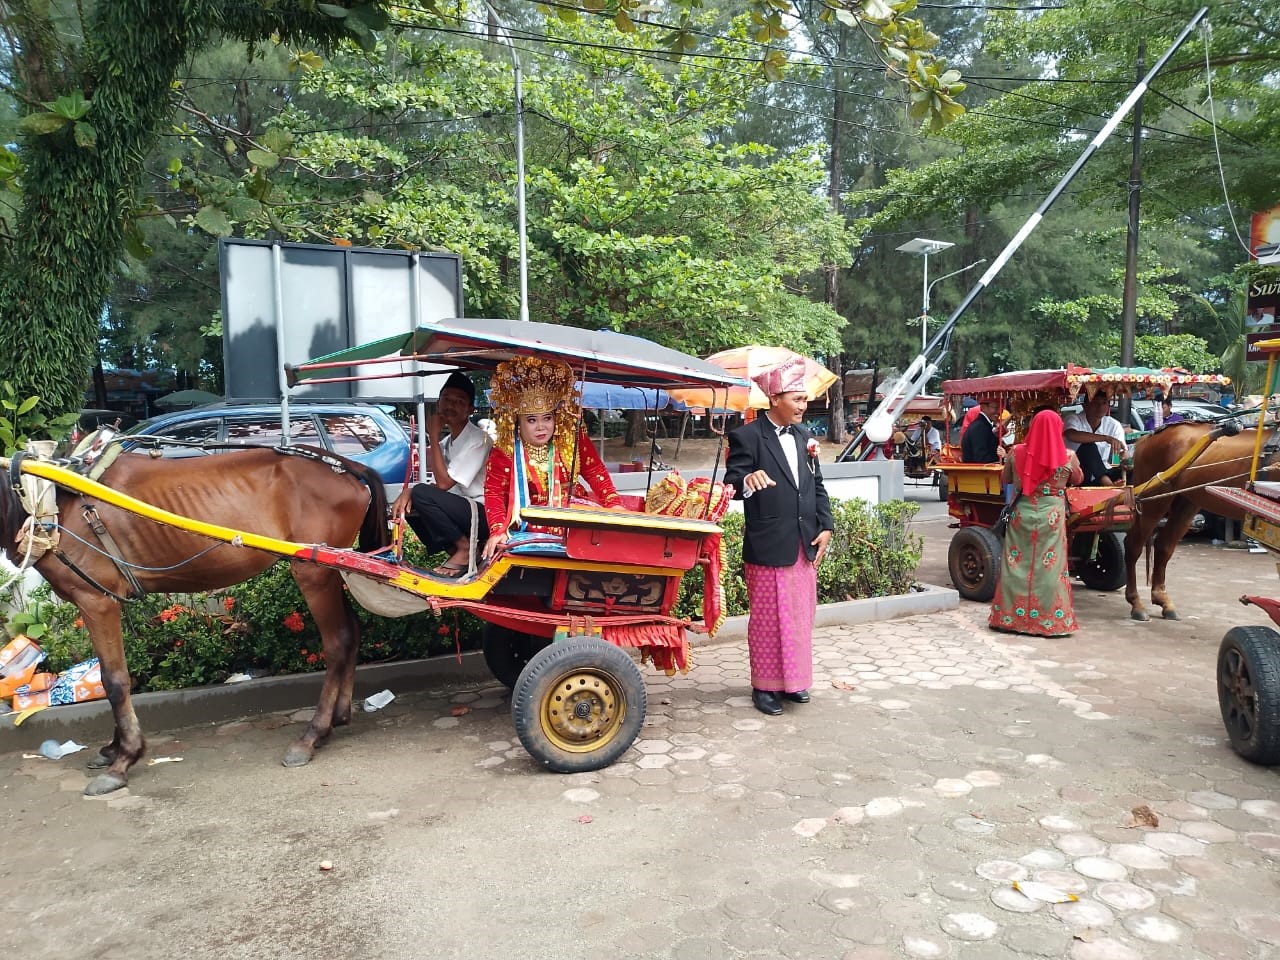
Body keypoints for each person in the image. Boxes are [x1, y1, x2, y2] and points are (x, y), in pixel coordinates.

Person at [723, 358, 834, 717]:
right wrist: (746, 481)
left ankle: (794, 682)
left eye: (805, 399)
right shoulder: (747, 436)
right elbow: (731, 484)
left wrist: (826, 526)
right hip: (769, 542)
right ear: (774, 399)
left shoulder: (805, 437)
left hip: (804, 541)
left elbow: (816, 485)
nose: (804, 405)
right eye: (797, 399)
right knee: (769, 619)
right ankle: (765, 687)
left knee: (800, 616)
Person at [481, 355, 622, 560]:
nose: (541, 427)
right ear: (518, 421)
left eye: (547, 418)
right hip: (527, 524)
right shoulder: (505, 449)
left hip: (572, 518)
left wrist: (613, 503)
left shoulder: (570, 437)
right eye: (531, 420)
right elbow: (494, 493)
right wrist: (497, 530)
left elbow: (594, 470)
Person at [990, 409, 1083, 636]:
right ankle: (1048, 621)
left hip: (1022, 512)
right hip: (1051, 514)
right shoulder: (1068, 456)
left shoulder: (1016, 451)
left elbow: (1006, 479)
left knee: (1015, 564)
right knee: (1050, 567)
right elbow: (1078, 479)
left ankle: (1011, 618)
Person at [390, 371, 492, 578]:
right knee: (413, 503)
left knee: (421, 494)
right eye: (446, 399)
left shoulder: (479, 440)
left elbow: (444, 483)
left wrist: (433, 436)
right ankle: (459, 552)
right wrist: (409, 491)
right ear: (438, 403)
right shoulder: (447, 443)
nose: (450, 406)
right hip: (463, 511)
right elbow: (437, 486)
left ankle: (465, 549)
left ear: (470, 409)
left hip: (483, 514)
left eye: (459, 401)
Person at [1063, 390, 1126, 486]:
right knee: (1088, 447)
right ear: (1085, 406)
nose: (1100, 407)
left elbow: (1115, 459)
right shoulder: (1073, 419)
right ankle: (1109, 486)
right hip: (1079, 474)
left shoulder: (1114, 425)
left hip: (1106, 472)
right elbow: (1071, 434)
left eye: (1104, 403)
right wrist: (1105, 438)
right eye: (1095, 403)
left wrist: (1121, 457)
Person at [961, 398, 1001, 464]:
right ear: (983, 407)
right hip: (978, 472)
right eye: (995, 408)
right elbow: (981, 457)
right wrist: (1002, 458)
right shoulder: (980, 427)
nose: (999, 412)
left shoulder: (983, 424)